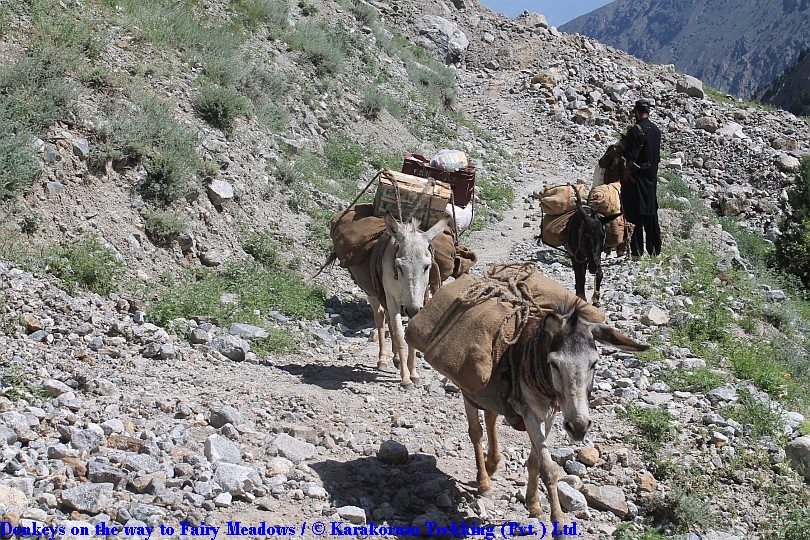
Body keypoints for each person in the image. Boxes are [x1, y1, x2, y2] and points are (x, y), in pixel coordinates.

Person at [615, 98, 662, 260]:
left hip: (636, 180)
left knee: (634, 216)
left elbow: (630, 156)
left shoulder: (636, 130)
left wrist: (623, 146)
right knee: (651, 215)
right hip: (651, 180)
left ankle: (636, 253)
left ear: (636, 111)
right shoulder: (656, 130)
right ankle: (654, 250)